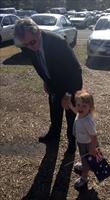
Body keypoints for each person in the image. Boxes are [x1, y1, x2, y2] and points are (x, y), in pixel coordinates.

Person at [14, 18, 82, 154]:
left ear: (38, 32)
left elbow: (76, 71)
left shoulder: (58, 43)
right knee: (55, 113)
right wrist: (46, 80)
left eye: (32, 42)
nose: (30, 47)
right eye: (25, 44)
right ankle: (54, 135)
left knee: (70, 117)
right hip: (53, 85)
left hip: (70, 86)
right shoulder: (29, 46)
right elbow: (42, 65)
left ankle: (71, 143)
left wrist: (68, 95)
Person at [68, 90, 102, 189]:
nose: (80, 108)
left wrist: (92, 148)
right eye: (78, 104)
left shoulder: (88, 121)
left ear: (90, 107)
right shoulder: (81, 113)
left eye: (84, 106)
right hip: (81, 141)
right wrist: (70, 105)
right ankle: (84, 166)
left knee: (86, 159)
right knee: (83, 157)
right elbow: (76, 111)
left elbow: (94, 136)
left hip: (88, 144)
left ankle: (84, 177)